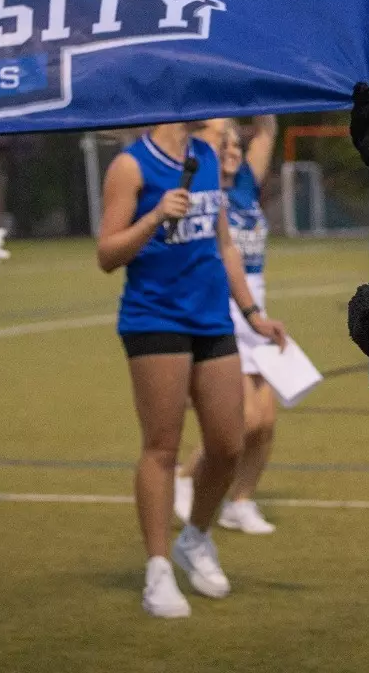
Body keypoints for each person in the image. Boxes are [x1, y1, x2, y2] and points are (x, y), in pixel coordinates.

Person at [98, 119, 288, 619]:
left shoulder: (204, 156)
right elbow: (107, 254)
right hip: (154, 318)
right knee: (161, 447)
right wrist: (154, 216)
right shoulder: (130, 165)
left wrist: (253, 314)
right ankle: (157, 569)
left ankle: (196, 537)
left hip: (212, 319)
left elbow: (224, 244)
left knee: (228, 443)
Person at [174, 115, 281, 535]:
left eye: (238, 145)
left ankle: (240, 501)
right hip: (219, 309)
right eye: (225, 146)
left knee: (265, 422)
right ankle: (185, 478)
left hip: (256, 310)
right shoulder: (200, 191)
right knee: (242, 421)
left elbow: (268, 128)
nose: (234, 151)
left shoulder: (245, 185)